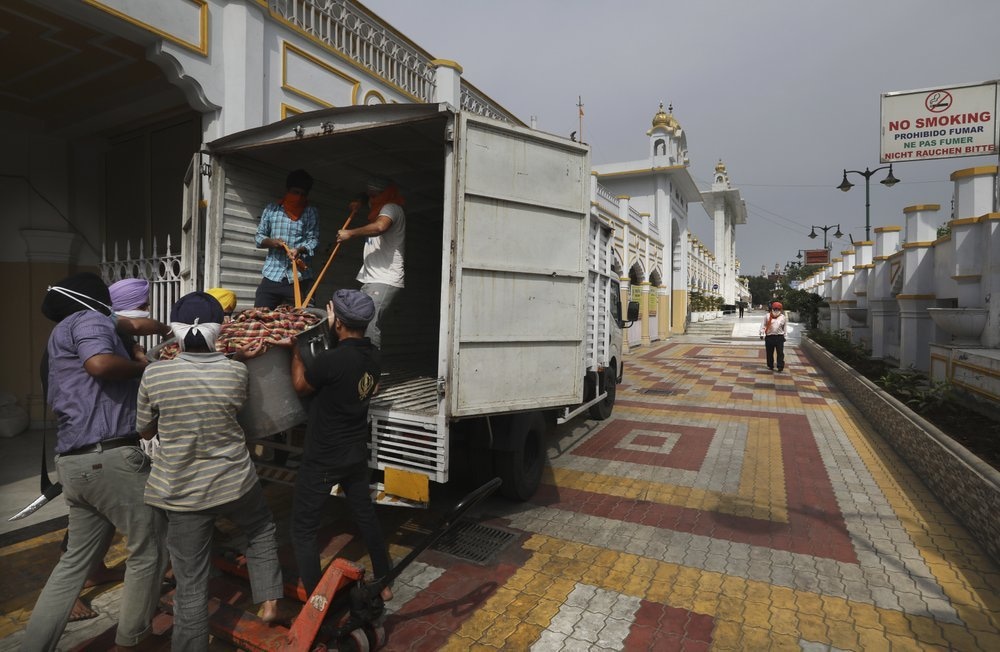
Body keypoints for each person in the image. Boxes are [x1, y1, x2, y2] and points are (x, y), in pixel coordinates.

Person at [24, 272, 167, 652]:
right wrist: (150, 367)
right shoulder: (90, 320)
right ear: (96, 298)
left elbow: (135, 323)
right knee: (150, 548)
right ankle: (133, 641)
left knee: (72, 566)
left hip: (76, 464)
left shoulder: (64, 330)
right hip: (109, 459)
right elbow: (101, 365)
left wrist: (167, 328)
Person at [137, 292, 283, 651]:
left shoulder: (155, 374)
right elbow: (234, 407)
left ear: (176, 332)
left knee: (190, 582)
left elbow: (143, 429)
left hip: (181, 490)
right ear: (219, 329)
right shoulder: (236, 372)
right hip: (235, 481)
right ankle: (269, 602)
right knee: (261, 528)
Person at [288, 289, 393, 600]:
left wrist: (295, 350)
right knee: (365, 515)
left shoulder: (329, 361)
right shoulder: (374, 355)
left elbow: (300, 386)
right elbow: (372, 389)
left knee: (303, 529)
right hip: (354, 452)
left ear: (338, 322)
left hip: (323, 455)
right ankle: (384, 582)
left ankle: (317, 601)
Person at [336, 177, 406, 348]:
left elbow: (380, 227)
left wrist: (350, 233)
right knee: (359, 321)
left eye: (376, 195)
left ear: (386, 193)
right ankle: (361, 364)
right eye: (371, 196)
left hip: (385, 278)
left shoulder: (391, 208)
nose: (372, 200)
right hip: (372, 278)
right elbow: (364, 195)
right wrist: (358, 201)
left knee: (369, 325)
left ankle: (371, 369)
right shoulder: (377, 207)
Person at [254, 169, 319, 309]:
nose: (299, 197)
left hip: (300, 278)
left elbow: (313, 240)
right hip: (272, 275)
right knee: (259, 316)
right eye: (296, 192)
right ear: (288, 190)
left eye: (303, 194)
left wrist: (300, 249)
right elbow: (259, 237)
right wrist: (273, 242)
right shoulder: (272, 209)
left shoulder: (310, 212)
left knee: (303, 322)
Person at [759, 301, 790, 372]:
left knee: (780, 353)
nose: (776, 310)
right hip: (769, 337)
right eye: (775, 308)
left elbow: (785, 327)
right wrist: (761, 333)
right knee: (769, 353)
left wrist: (785, 336)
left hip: (779, 337)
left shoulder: (783, 317)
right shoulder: (767, 316)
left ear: (781, 309)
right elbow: (763, 325)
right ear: (772, 308)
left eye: (778, 309)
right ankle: (770, 365)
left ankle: (780, 366)